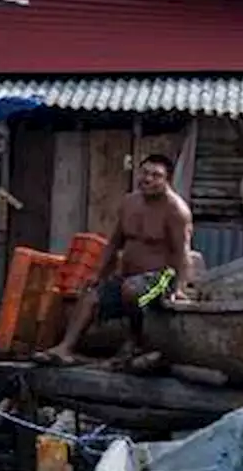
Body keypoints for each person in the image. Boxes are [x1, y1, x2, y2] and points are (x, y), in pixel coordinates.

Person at [37, 153, 193, 366]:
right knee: (91, 295)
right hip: (129, 276)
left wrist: (179, 288)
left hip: (162, 278)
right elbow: (113, 243)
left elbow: (182, 251)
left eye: (156, 176)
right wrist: (97, 273)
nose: (148, 179)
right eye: (145, 173)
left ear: (167, 180)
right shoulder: (129, 203)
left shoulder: (176, 211)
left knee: (131, 289)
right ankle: (65, 348)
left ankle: (136, 341)